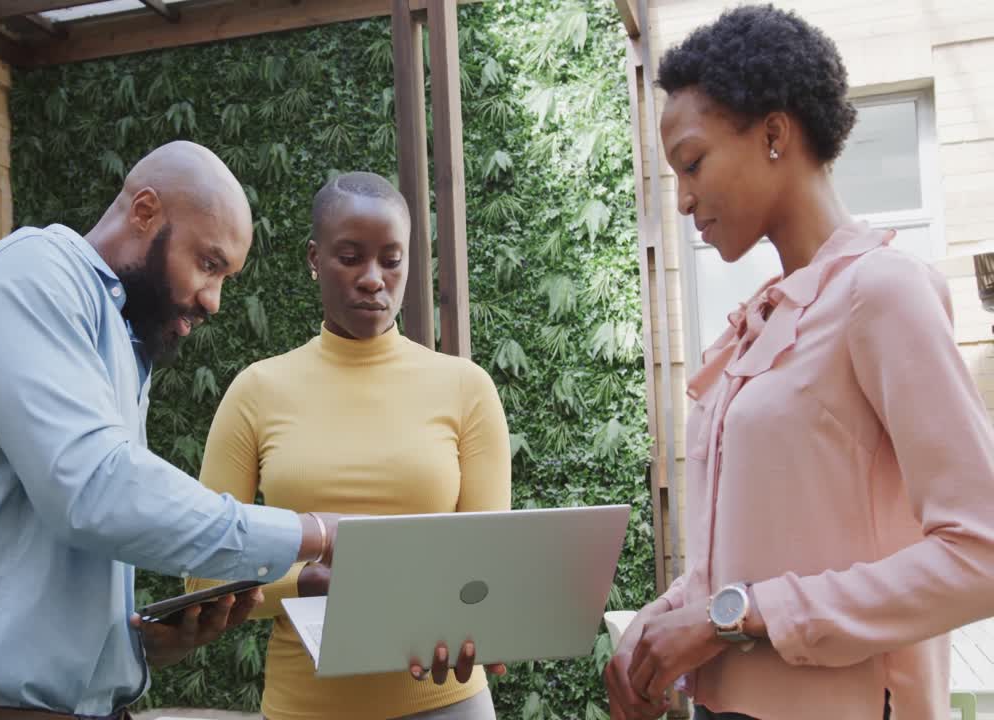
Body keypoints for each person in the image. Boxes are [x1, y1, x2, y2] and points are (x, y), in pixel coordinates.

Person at [602, 6, 994, 720]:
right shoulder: (764, 324)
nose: (684, 197)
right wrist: (654, 633)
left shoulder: (881, 292)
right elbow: (747, 561)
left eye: (692, 164)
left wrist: (735, 615)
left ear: (775, 134)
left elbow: (982, 553)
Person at [0, 141, 343, 720]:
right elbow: (94, 491)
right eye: (208, 263)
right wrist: (316, 531)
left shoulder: (120, 332)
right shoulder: (33, 275)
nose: (214, 300)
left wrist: (138, 646)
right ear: (144, 211)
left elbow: (64, 541)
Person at [188, 172, 511, 719]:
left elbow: (487, 566)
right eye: (350, 257)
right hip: (306, 707)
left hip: (447, 702)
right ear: (314, 257)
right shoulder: (258, 391)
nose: (372, 279)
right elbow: (204, 573)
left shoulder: (467, 389)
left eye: (391, 259)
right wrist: (303, 582)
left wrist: (474, 625)